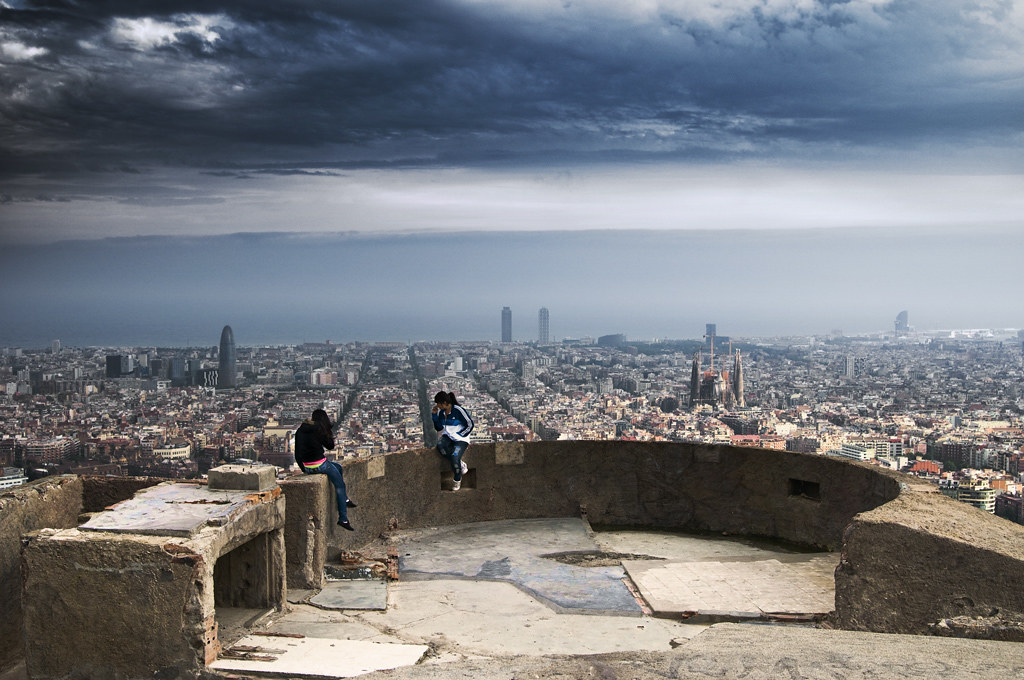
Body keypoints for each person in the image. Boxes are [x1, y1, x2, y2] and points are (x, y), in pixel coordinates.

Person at [294, 408, 356, 531]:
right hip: (320, 464)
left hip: (307, 465)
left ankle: (346, 498)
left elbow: (297, 452)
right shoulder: (319, 429)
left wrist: (304, 468)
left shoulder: (300, 430)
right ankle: (343, 518)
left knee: (338, 467)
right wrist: (327, 430)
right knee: (340, 486)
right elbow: (330, 446)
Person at [431, 390, 474, 491]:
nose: (438, 406)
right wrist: (434, 415)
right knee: (440, 447)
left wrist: (460, 435)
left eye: (439, 404)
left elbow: (470, 424)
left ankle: (457, 480)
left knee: (455, 457)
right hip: (448, 437)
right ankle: (461, 464)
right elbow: (438, 428)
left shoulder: (458, 410)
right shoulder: (441, 412)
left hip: (460, 439)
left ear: (444, 403)